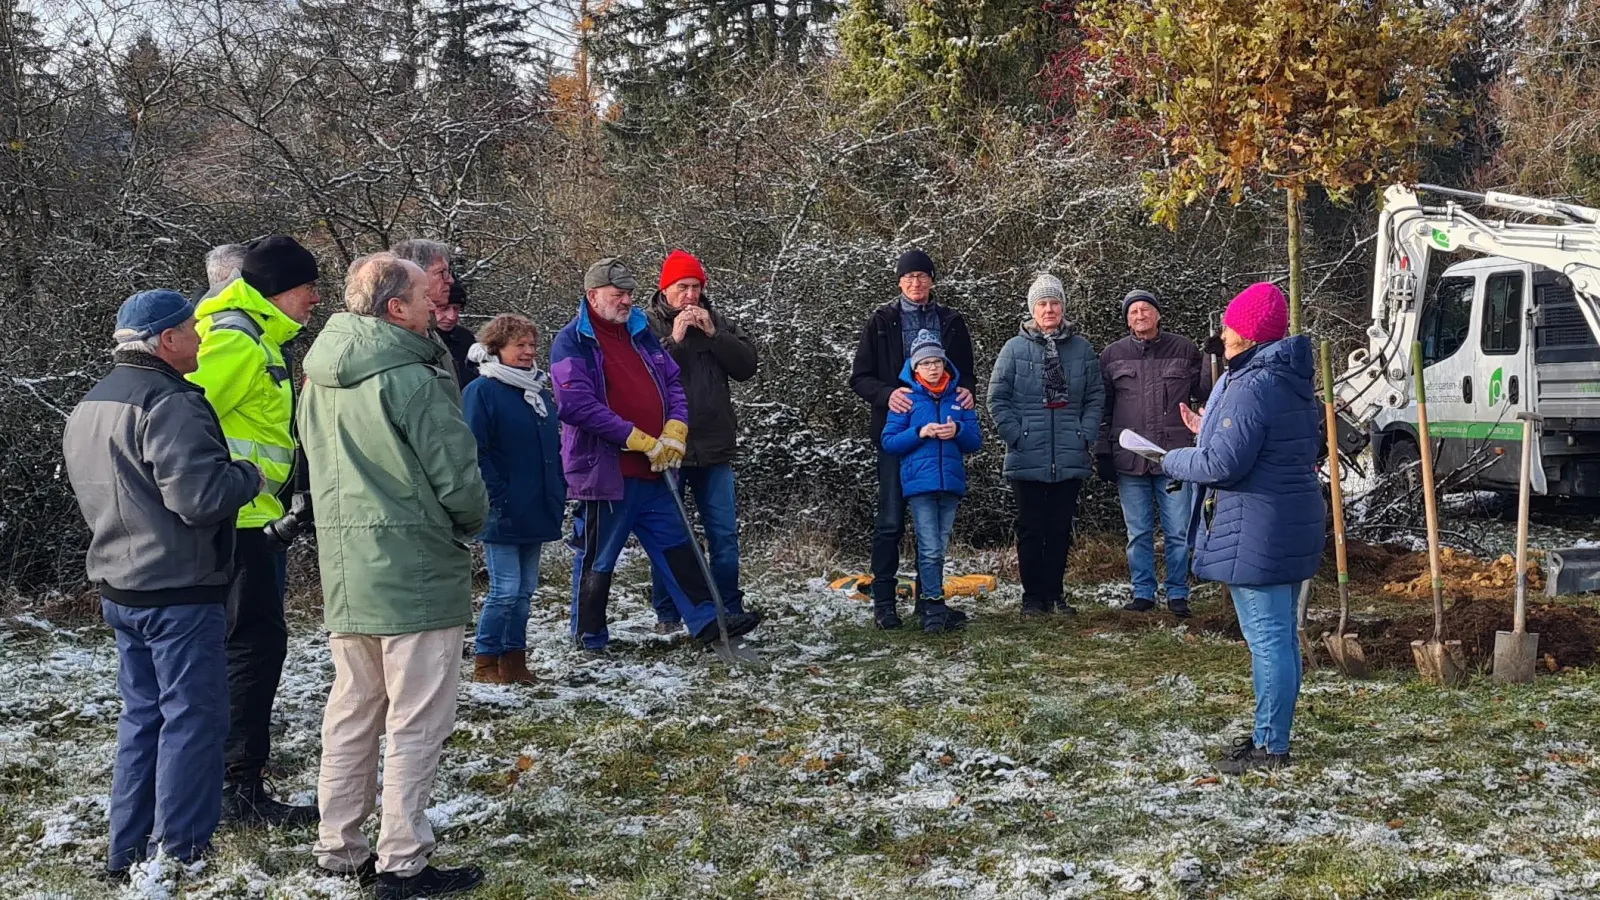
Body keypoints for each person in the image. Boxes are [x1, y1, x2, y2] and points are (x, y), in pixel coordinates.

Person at [298, 252, 490, 898]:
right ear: (395, 308)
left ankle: (338, 846)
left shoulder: (317, 375)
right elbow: (458, 477)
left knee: (353, 710)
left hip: (346, 565)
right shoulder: (412, 377)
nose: (436, 304)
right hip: (416, 566)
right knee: (417, 717)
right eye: (423, 295)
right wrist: (469, 521)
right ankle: (403, 860)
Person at [63, 290, 262, 881]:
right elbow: (199, 499)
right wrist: (248, 475)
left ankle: (125, 853)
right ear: (167, 340)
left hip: (120, 584)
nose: (202, 339)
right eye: (193, 330)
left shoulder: (93, 400)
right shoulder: (171, 401)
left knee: (142, 719)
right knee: (193, 720)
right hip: (178, 588)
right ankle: (181, 852)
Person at [549, 257, 761, 651]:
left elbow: (671, 381)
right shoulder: (572, 341)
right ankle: (589, 637)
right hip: (606, 471)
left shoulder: (640, 333)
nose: (627, 301)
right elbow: (575, 404)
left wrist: (676, 427)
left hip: (657, 467)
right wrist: (634, 437)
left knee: (678, 546)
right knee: (598, 558)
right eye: (618, 294)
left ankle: (707, 622)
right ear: (593, 296)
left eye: (629, 294)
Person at [1161, 282, 1324, 775]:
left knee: (1269, 641)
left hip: (1259, 527)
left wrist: (1170, 458)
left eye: (1230, 324)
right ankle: (1270, 735)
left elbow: (1222, 465)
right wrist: (1210, 428)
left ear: (1247, 334)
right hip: (1289, 519)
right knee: (1283, 638)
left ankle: (1271, 747)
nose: (1223, 331)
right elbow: (1268, 442)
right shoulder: (1286, 378)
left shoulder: (1254, 384)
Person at [188, 234, 320, 827]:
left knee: (254, 647)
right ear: (280, 289)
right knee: (251, 648)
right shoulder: (236, 339)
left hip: (251, 518)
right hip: (236, 524)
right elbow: (184, 419)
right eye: (309, 287)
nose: (315, 298)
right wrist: (223, 487)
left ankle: (232, 780)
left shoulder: (257, 336)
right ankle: (235, 790)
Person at [850, 249, 976, 629]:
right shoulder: (882, 320)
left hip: (940, 437)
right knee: (891, 520)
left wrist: (967, 392)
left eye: (922, 275)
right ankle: (885, 604)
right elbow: (860, 377)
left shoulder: (951, 321)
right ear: (899, 281)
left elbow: (966, 374)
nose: (915, 282)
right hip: (897, 434)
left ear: (932, 280)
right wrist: (888, 394)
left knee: (933, 526)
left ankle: (930, 603)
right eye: (909, 276)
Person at [644, 250, 759, 633]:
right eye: (683, 287)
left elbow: (747, 367)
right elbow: (644, 376)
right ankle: (668, 613)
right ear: (666, 288)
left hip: (715, 445)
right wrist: (674, 340)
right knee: (670, 537)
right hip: (668, 448)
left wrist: (715, 335)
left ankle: (728, 608)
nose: (691, 295)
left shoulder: (718, 321)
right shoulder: (645, 325)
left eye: (696, 287)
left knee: (723, 534)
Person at [987, 273, 1105, 616]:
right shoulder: (1014, 348)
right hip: (1027, 453)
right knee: (1030, 528)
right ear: (1032, 309)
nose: (1049, 309)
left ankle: (1055, 595)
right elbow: (997, 398)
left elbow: (1096, 396)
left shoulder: (1082, 349)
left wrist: (1084, 433)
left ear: (1063, 307)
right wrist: (1016, 435)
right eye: (1042, 303)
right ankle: (1032, 598)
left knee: (1059, 529)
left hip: (1069, 452)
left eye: (1055, 302)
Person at [462, 314, 565, 684]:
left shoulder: (537, 393)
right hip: (502, 509)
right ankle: (485, 663)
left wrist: (557, 489)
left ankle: (514, 662)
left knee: (524, 592)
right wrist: (497, 496)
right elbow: (476, 450)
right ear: (496, 348)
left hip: (537, 505)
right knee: (504, 590)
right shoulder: (481, 391)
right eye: (519, 345)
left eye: (532, 345)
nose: (528, 352)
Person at [1096, 288, 1205, 618]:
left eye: (1145, 309)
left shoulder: (1183, 349)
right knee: (1138, 532)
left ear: (1158, 315)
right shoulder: (1112, 355)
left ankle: (1178, 593)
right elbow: (1103, 407)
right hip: (1129, 457)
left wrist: (1215, 360)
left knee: (1178, 530)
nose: (1140, 315)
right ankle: (1143, 592)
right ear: (1127, 319)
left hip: (1174, 458)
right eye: (1133, 311)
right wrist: (1103, 450)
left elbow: (1206, 391)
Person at [881, 332, 982, 633]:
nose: (933, 368)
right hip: (919, 486)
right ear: (915, 368)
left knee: (940, 545)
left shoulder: (959, 398)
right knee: (929, 549)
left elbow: (975, 441)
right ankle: (934, 607)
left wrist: (958, 430)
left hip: (951, 484)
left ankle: (932, 603)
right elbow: (889, 441)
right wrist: (920, 433)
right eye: (925, 363)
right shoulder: (906, 400)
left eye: (937, 362)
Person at [392, 238, 469, 387]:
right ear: (412, 274)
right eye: (442, 272)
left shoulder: (427, 329)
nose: (450, 280)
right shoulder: (396, 338)